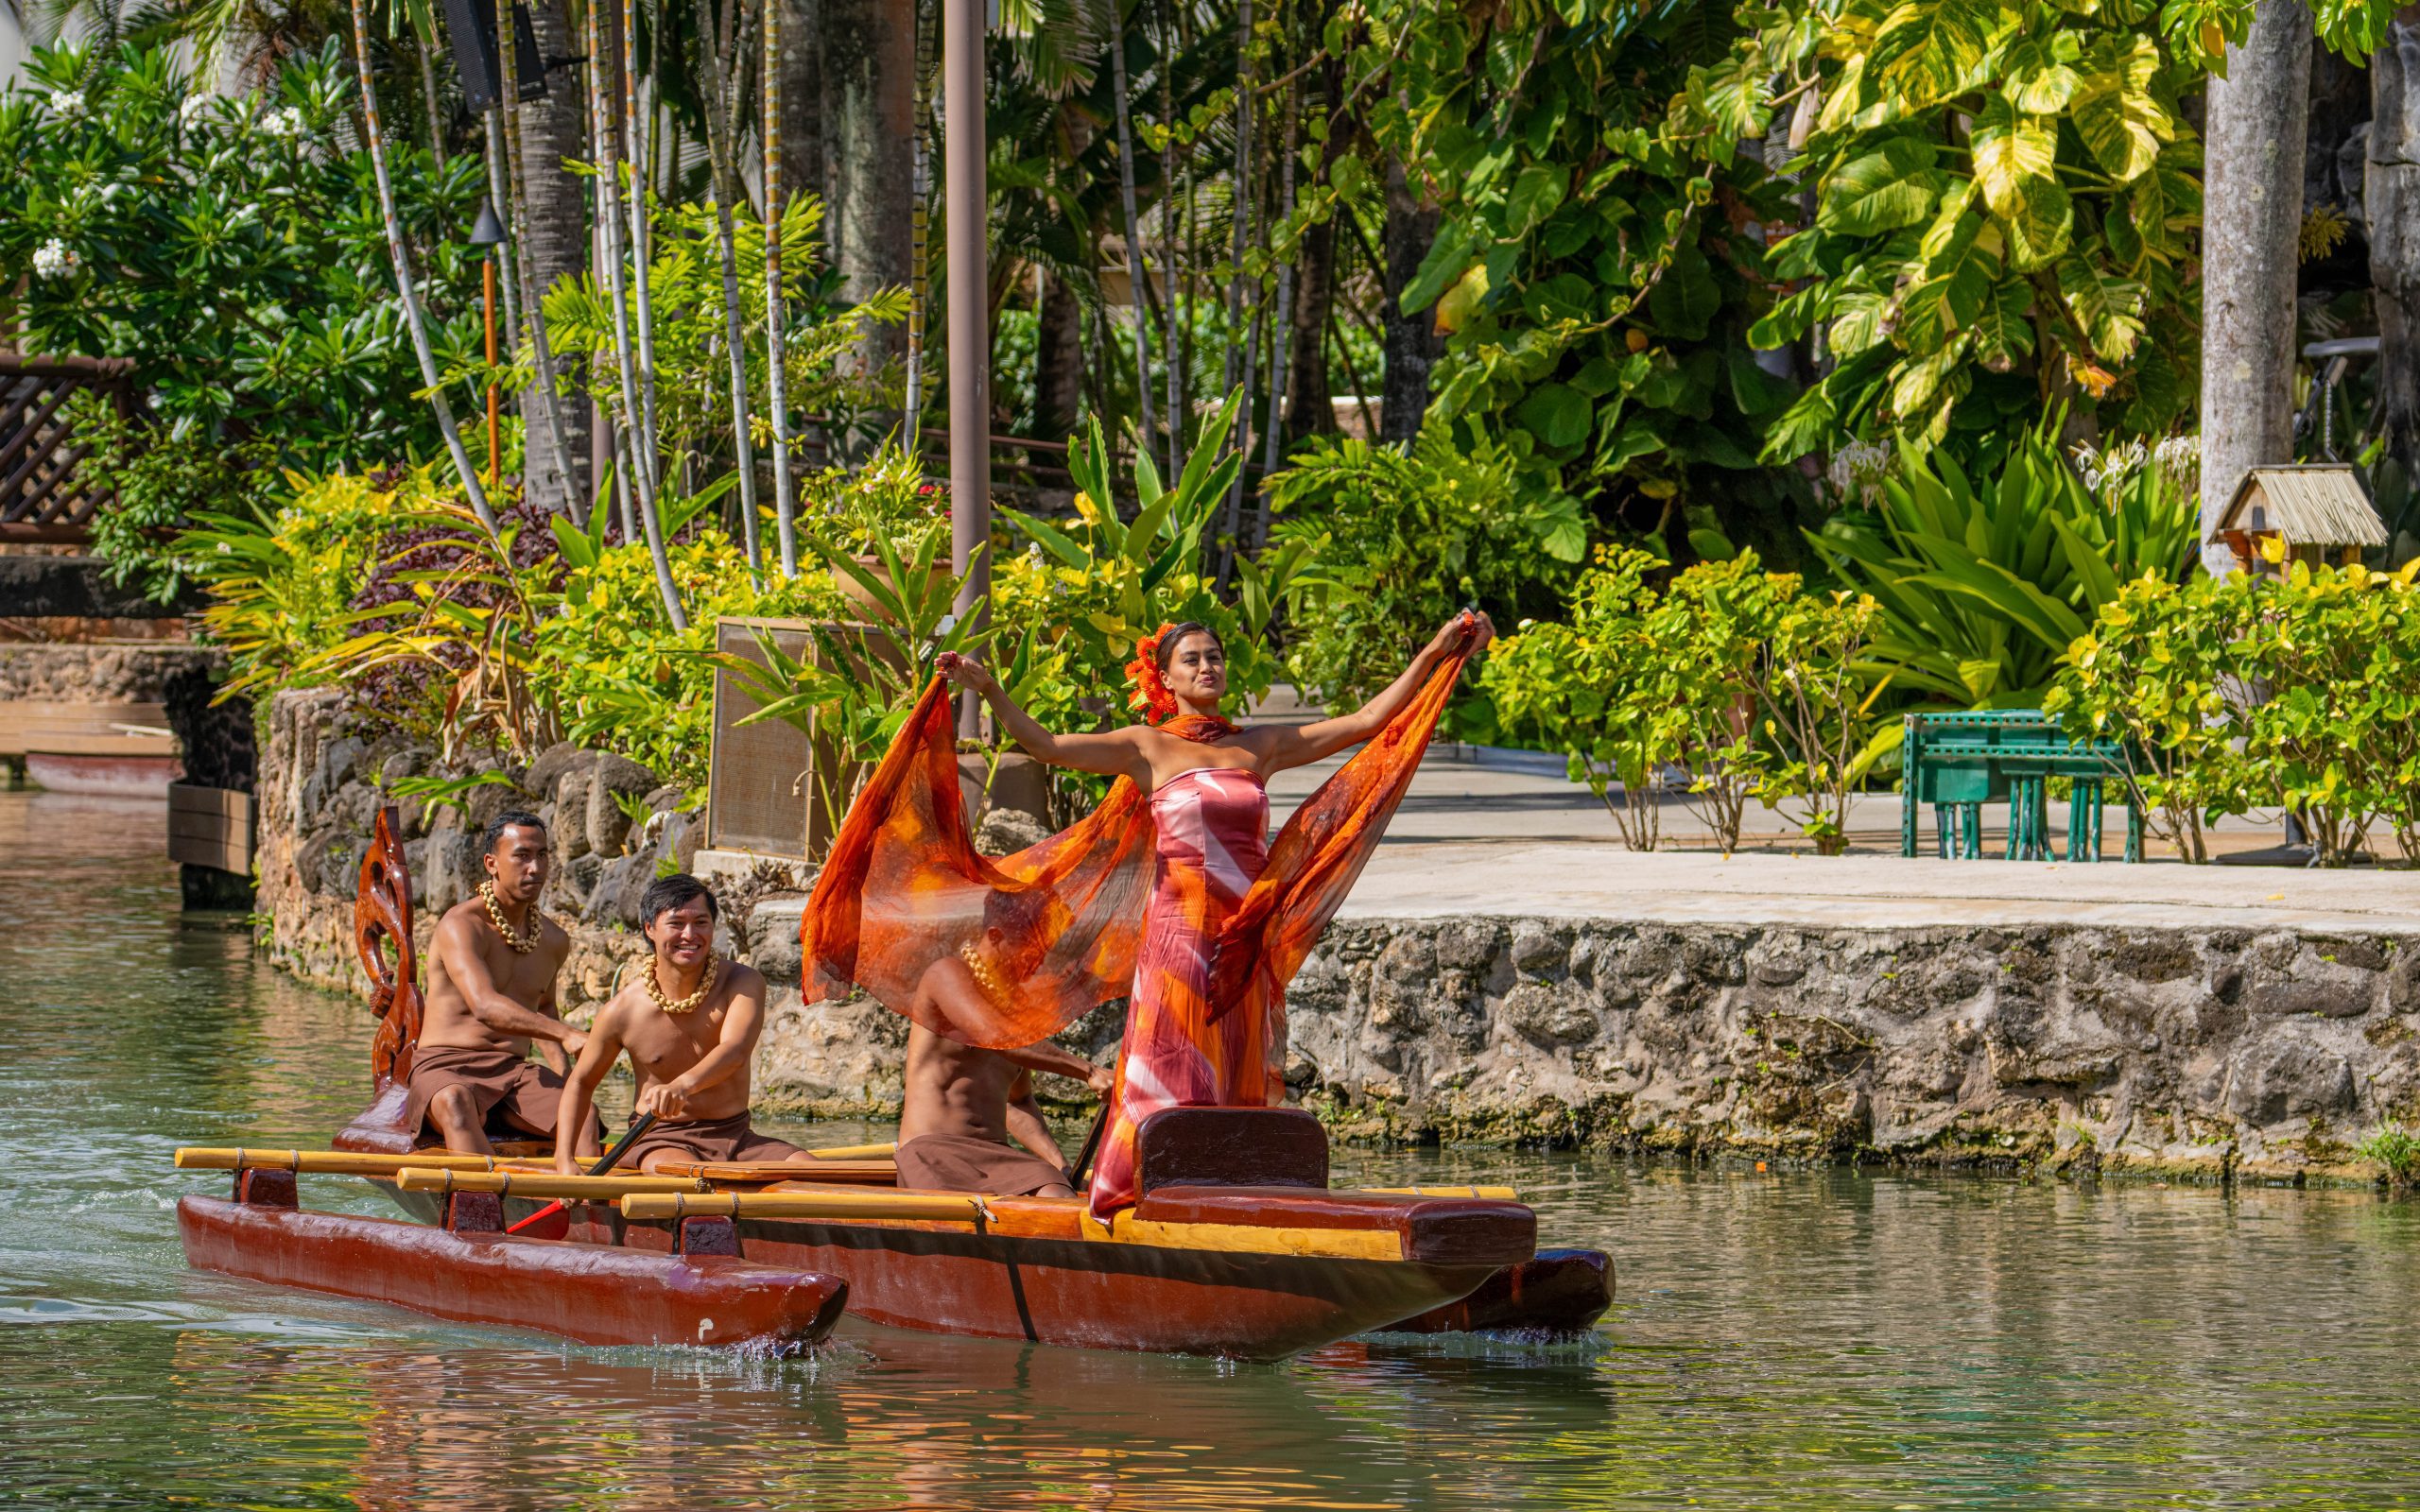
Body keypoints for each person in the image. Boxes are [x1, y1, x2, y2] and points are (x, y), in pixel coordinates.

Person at [801, 607, 1490, 1221]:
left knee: (1237, 1055)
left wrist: (1434, 655)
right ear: (1166, 678)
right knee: (1172, 1060)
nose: (1208, 666)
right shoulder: (1146, 746)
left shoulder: (1261, 746)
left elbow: (1369, 722)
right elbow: (1046, 747)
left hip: (1241, 930)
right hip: (1180, 927)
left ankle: (1226, 1189)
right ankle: (1139, 1190)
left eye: (1215, 656)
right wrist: (989, 691)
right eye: (1192, 658)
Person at [554, 873, 804, 1175]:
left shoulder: (743, 982)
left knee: (821, 1176)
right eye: (676, 924)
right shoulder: (622, 1011)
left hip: (737, 1137)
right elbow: (581, 1083)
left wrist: (682, 1085)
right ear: (650, 929)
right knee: (691, 1178)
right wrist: (565, 1160)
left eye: (701, 923)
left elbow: (735, 1050)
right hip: (659, 1139)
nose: (689, 934)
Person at [406, 810, 600, 1158]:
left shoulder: (554, 939)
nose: (535, 867)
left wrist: (568, 1078)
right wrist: (567, 1034)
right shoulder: (462, 925)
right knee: (455, 1101)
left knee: (583, 1113)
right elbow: (485, 1006)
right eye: (522, 856)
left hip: (513, 1071)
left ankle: (589, 1209)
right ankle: (482, 1206)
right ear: (492, 863)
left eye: (542, 855)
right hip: (446, 1065)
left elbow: (544, 1008)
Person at [892, 1022, 1115, 1197]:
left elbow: (1018, 1102)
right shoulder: (944, 977)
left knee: (1058, 1195)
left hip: (997, 1155)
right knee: (949, 1214)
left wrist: (1062, 1168)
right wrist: (1091, 1071)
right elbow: (995, 1036)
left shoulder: (1021, 1024)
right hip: (931, 1150)